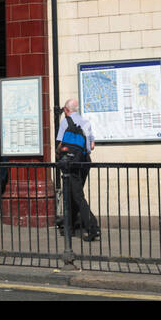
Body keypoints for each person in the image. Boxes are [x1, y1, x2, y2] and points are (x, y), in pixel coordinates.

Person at [55, 98, 99, 241]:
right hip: (85, 162)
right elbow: (91, 146)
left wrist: (57, 155)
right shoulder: (86, 123)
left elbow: (61, 144)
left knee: (77, 196)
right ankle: (70, 228)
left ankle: (92, 227)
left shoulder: (65, 122)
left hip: (71, 163)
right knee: (73, 193)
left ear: (67, 110)